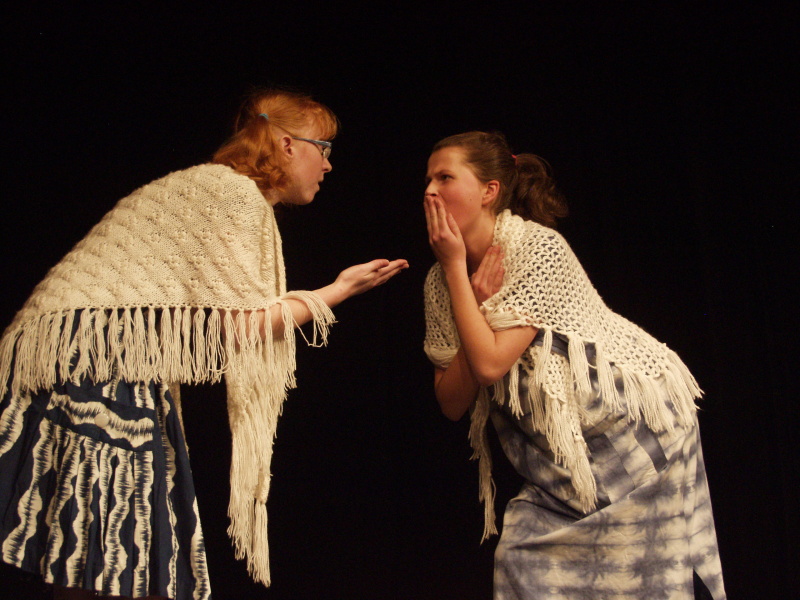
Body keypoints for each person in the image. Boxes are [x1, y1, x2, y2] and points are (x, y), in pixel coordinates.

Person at [0, 88, 408, 600]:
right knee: (104, 556)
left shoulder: (215, 187)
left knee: (102, 553)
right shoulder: (235, 194)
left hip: (85, 356)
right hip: (93, 361)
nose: (327, 164)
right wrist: (339, 290)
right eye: (322, 148)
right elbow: (242, 328)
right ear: (287, 145)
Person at [422, 131, 725, 599]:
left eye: (445, 177)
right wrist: (465, 289)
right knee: (522, 565)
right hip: (561, 459)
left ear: (489, 191)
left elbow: (489, 366)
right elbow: (451, 401)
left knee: (647, 580)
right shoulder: (440, 282)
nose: (429, 191)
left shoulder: (537, 249)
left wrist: (459, 276)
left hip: (632, 430)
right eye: (427, 180)